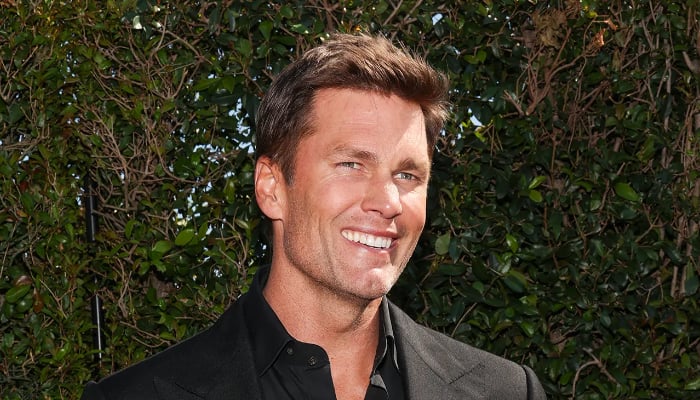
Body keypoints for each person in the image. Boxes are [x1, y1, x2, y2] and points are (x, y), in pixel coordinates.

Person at [81, 33, 547, 400]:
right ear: (272, 188)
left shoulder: (506, 392)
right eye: (351, 165)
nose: (388, 201)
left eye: (407, 175)